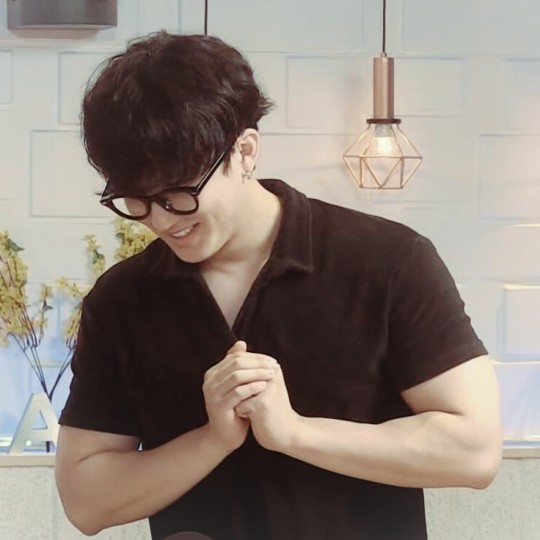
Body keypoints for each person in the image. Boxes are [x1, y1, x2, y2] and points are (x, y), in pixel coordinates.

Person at [55, 31, 502, 540]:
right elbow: (85, 501)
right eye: (136, 201)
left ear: (245, 151)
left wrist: (295, 433)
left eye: (178, 194)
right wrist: (212, 440)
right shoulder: (122, 300)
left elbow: (475, 450)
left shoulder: (389, 261)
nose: (161, 220)